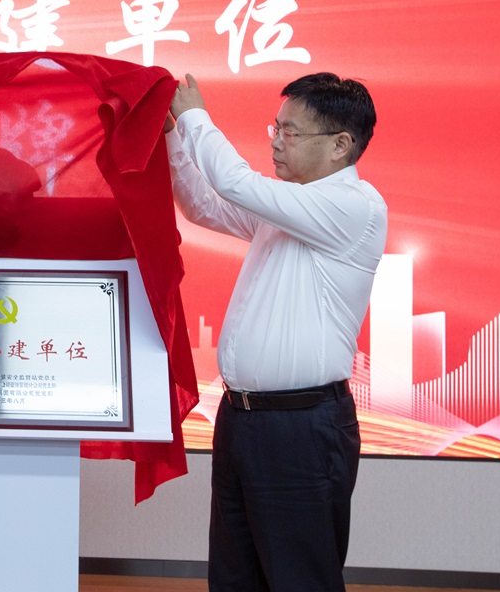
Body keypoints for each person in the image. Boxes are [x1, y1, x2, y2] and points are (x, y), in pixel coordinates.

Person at [165, 72, 387, 592]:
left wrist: (195, 116)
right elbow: (205, 205)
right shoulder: (289, 207)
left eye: (291, 132)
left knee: (298, 579)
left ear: (340, 145)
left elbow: (235, 184)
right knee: (235, 576)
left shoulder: (353, 205)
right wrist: (173, 136)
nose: (276, 142)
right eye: (276, 128)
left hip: (301, 427)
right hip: (242, 420)